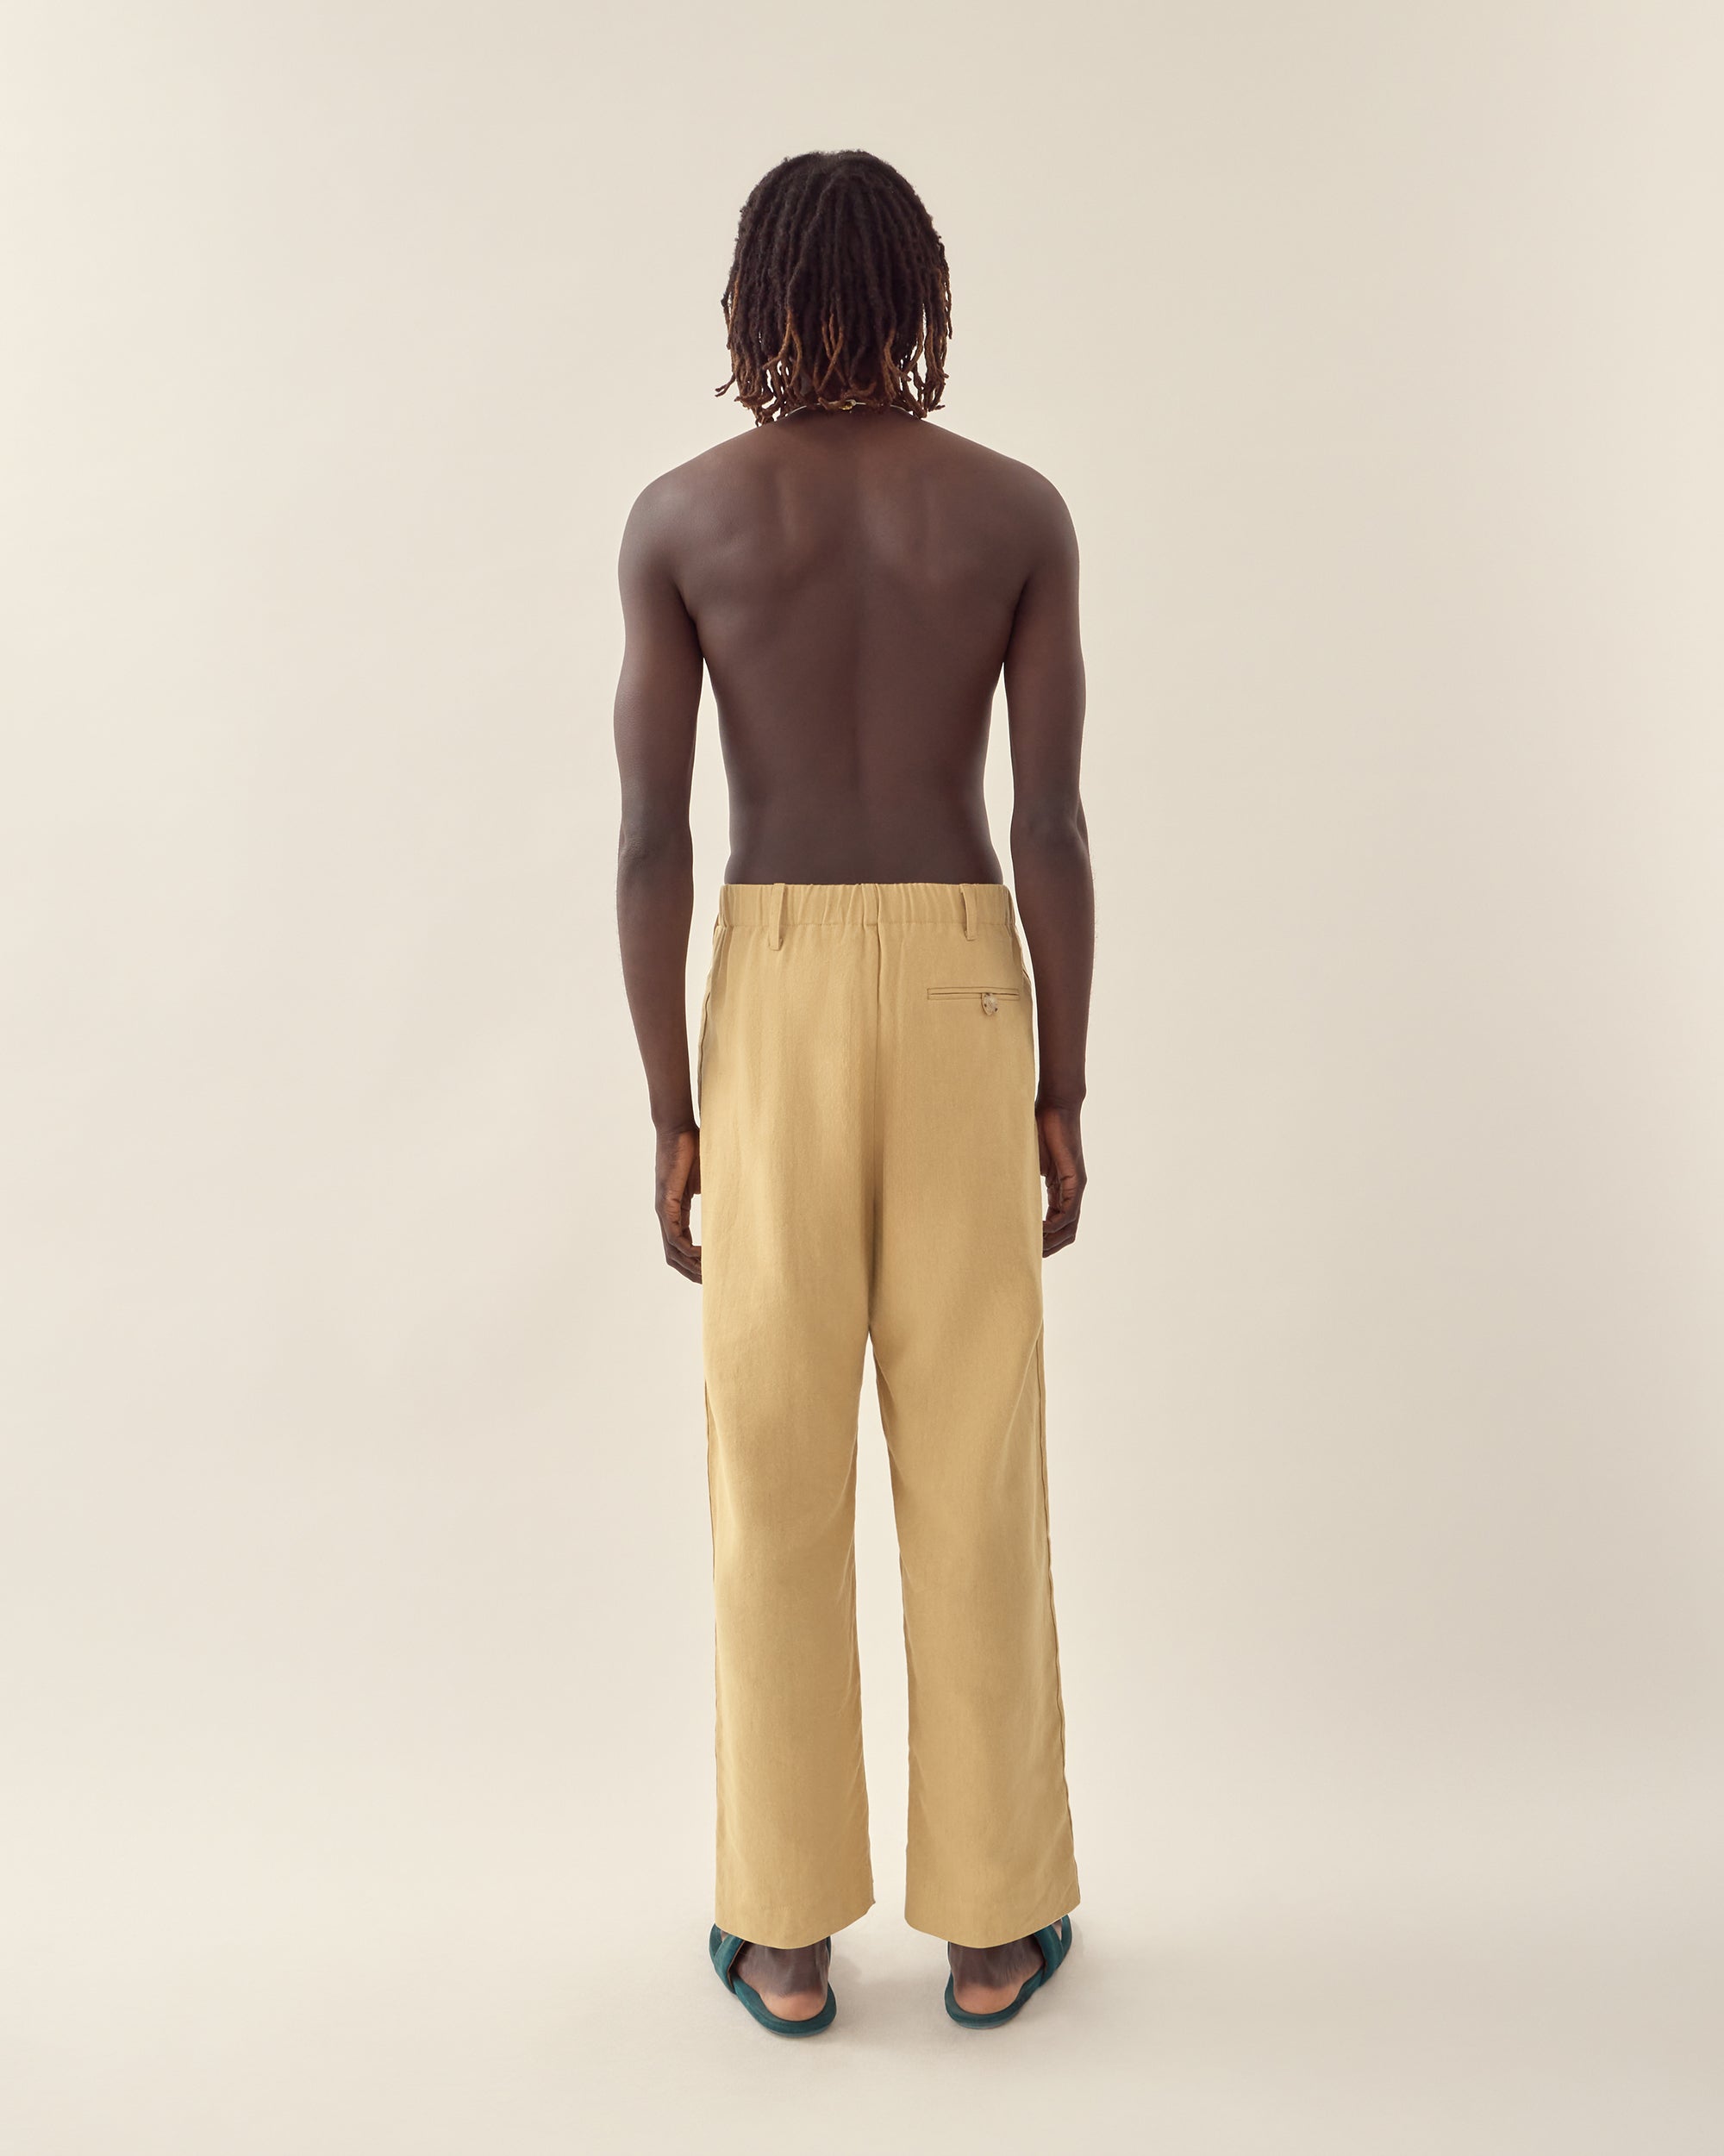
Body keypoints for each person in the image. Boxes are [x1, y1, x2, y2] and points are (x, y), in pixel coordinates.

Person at [613, 148, 1092, 2034]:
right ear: (920, 296)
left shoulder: (683, 517)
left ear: (756, 301)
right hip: (968, 974)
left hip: (776, 985)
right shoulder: (1015, 511)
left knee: (773, 1461)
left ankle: (788, 1931)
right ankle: (993, 1927)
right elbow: (1050, 824)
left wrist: (673, 1102)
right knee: (973, 1452)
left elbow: (651, 839)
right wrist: (1063, 1080)